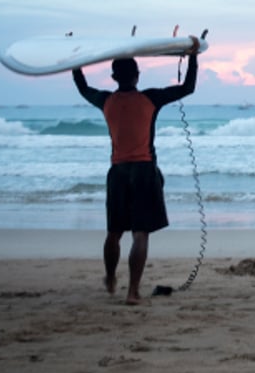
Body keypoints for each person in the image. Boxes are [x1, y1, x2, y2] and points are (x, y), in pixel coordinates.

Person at [73, 37, 200, 304]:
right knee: (140, 233)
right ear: (137, 75)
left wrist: (76, 63)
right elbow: (188, 88)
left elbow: (82, 88)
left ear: (113, 76)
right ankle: (132, 292)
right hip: (143, 171)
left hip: (117, 172)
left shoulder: (104, 100)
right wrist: (192, 57)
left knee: (114, 232)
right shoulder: (150, 98)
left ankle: (110, 277)